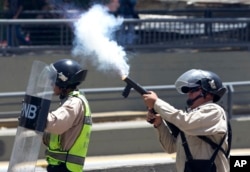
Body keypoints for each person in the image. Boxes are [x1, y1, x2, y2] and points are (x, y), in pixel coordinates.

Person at [143, 69, 231, 172]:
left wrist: (156, 103)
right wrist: (159, 124)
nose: (189, 93)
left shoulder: (214, 110)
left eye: (194, 90)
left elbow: (186, 123)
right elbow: (171, 147)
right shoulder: (191, 116)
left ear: (208, 93)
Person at [43, 59, 92, 172]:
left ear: (63, 81)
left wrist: (36, 116)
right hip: (60, 166)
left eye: (53, 80)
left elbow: (56, 123)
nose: (50, 83)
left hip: (65, 168)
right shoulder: (71, 101)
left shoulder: (74, 102)